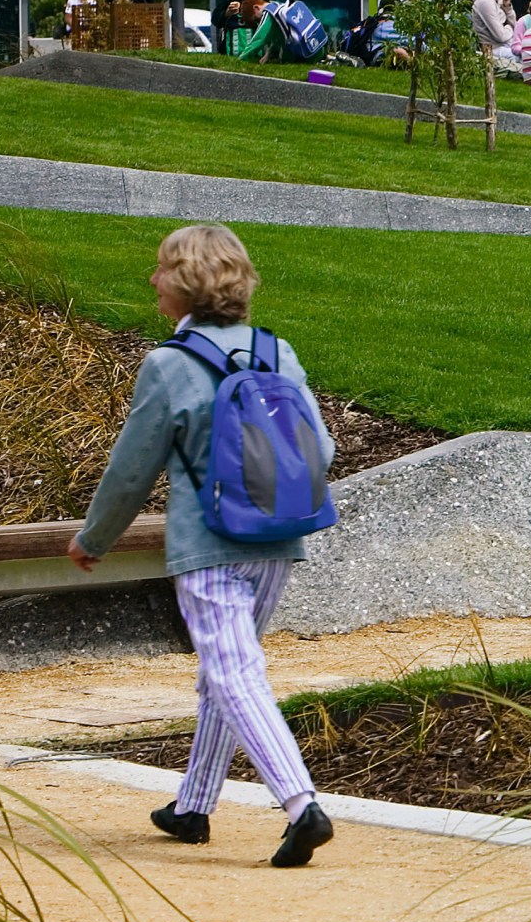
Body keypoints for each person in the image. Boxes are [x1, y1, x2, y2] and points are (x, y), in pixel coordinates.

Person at [67, 224, 336, 867]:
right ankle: (192, 806)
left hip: (209, 544)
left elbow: (131, 470)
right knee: (227, 668)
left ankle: (301, 804)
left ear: (186, 283)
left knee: (234, 671)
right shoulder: (276, 352)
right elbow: (321, 450)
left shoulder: (169, 365)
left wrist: (95, 538)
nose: (152, 279)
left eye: (161, 268)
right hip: (278, 540)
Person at [468, 0, 519, 69]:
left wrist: (507, 7)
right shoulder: (485, 1)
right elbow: (500, 36)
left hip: (503, 46)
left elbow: (515, 25)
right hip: (493, 49)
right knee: (522, 57)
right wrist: (509, 27)